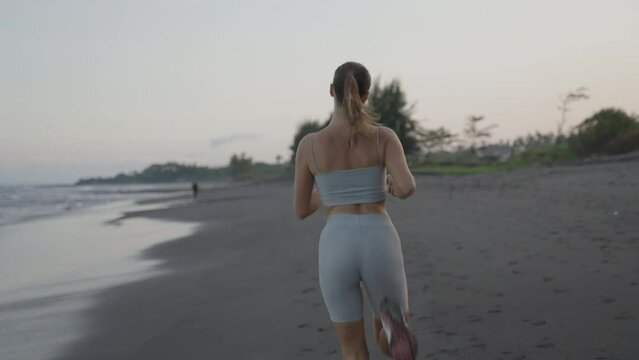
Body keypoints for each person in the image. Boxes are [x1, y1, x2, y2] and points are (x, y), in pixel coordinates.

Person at [294, 62, 418, 360]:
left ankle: (388, 330)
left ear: (331, 90)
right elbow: (407, 187)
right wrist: (391, 185)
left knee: (352, 350)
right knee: (389, 342)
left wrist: (328, 193)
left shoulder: (309, 145)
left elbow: (300, 209)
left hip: (337, 243)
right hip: (379, 238)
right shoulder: (383, 137)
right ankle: (391, 328)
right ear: (365, 96)